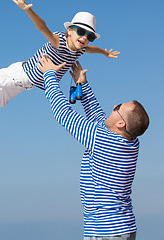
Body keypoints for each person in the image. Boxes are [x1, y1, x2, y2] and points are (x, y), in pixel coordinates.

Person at [0, 0, 120, 137]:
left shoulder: (80, 49)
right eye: (81, 32)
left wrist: (105, 53)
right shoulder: (58, 41)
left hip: (26, 82)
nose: (85, 38)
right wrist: (28, 10)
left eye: (90, 36)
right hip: (20, 75)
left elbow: (91, 49)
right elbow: (42, 28)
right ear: (70, 30)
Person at [36, 54, 149, 240]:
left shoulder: (102, 140)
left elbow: (63, 114)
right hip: (117, 228)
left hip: (108, 232)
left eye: (118, 107)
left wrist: (49, 75)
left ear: (120, 124)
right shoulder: (129, 142)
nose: (113, 105)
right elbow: (98, 120)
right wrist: (83, 85)